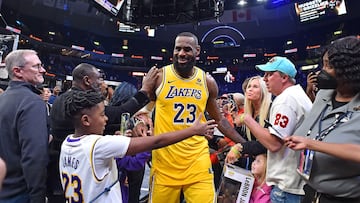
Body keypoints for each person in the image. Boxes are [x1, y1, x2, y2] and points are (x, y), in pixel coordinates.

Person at [59, 89, 217, 203]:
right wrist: (193, 130)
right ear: (86, 120)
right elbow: (157, 142)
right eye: (102, 115)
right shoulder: (98, 145)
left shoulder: (67, 143)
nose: (106, 119)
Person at [147, 32, 245, 203]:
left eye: (187, 49)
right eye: (177, 49)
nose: (181, 53)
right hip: (164, 163)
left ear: (197, 51)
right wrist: (142, 120)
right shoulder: (160, 77)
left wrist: (244, 143)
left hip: (197, 161)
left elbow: (220, 120)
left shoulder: (207, 81)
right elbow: (146, 108)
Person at [48, 63, 159, 203]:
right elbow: (118, 114)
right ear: (87, 81)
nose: (103, 84)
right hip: (84, 172)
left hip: (64, 171)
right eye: (99, 79)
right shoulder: (83, 105)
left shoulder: (60, 100)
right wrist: (145, 90)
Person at [226, 56, 313, 203]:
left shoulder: (285, 100)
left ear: (284, 77)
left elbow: (273, 144)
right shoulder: (297, 95)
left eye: (270, 74)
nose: (265, 79)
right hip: (296, 181)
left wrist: (247, 119)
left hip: (287, 184)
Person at [285, 36, 360, 202]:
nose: (322, 71)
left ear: (350, 70)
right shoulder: (323, 95)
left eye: (329, 66)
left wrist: (312, 144)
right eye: (323, 64)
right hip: (311, 194)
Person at [0, 49, 49, 202]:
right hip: (20, 193)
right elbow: (34, 156)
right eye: (36, 66)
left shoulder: (3, 99)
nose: (43, 70)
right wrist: (38, 197)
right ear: (18, 71)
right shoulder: (32, 102)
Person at [227, 76, 271, 169]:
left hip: (270, 164)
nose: (250, 89)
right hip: (255, 165)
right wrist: (236, 122)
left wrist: (241, 148)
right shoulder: (249, 113)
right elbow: (243, 138)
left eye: (255, 87)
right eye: (249, 87)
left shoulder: (270, 110)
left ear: (263, 90)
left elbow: (266, 143)